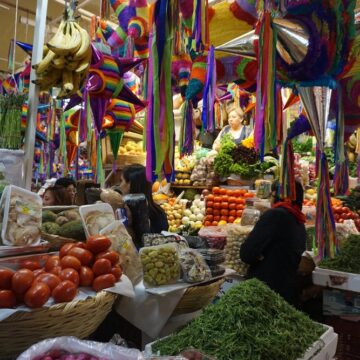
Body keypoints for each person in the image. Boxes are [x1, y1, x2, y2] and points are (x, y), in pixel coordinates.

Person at [240, 180, 306, 307]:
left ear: (276, 194)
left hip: (266, 291)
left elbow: (247, 254)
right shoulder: (299, 220)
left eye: (271, 194)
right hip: (287, 290)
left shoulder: (275, 215)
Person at [119, 164, 168, 234]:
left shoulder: (124, 214)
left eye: (121, 181)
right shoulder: (160, 213)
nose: (120, 185)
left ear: (129, 184)